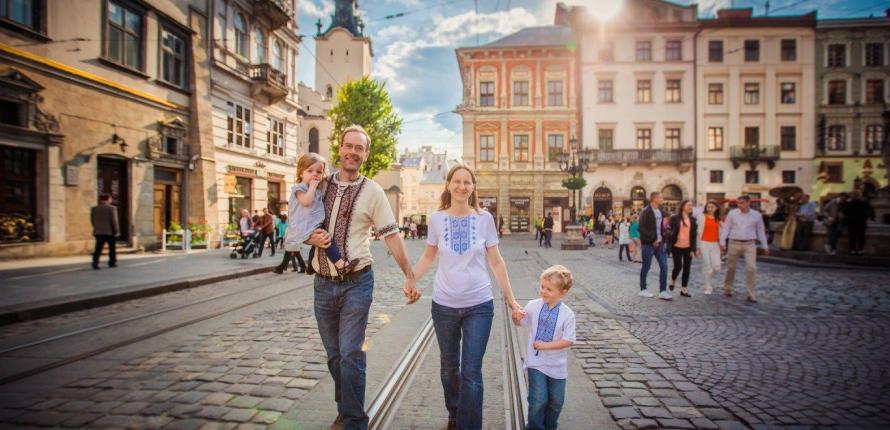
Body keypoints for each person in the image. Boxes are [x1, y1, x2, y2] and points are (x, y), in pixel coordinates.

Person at [304, 125, 419, 429]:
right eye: (348, 146)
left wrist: (409, 275)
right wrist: (308, 239)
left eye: (359, 148)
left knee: (350, 354)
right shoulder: (321, 185)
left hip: (357, 283)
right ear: (339, 149)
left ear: (366, 155)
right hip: (322, 285)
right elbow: (299, 223)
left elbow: (392, 236)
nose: (353, 152)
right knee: (334, 356)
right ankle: (346, 407)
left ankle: (354, 422)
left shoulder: (373, 191)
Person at [409, 164, 524, 430]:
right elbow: (429, 256)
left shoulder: (484, 219)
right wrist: (411, 278)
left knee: (471, 373)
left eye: (467, 182)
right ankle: (455, 412)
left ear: (473, 188)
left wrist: (511, 299)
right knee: (449, 369)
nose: (462, 186)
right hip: (444, 305)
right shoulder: (436, 219)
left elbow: (496, 261)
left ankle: (468, 425)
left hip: (479, 305)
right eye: (457, 181)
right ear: (448, 185)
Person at [512, 265, 576, 430]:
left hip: (558, 366)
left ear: (562, 292)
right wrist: (516, 317)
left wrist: (546, 346)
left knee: (556, 402)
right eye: (542, 287)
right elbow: (521, 322)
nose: (544, 291)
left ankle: (550, 426)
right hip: (536, 362)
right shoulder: (533, 305)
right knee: (538, 399)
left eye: (549, 289)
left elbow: (569, 340)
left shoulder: (567, 314)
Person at [290, 153, 359, 276]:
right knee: (326, 240)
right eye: (310, 171)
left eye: (319, 172)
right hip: (304, 226)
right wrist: (312, 187)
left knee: (319, 244)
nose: (315, 174)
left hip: (314, 224)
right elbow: (306, 201)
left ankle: (311, 266)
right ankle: (340, 265)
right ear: (301, 173)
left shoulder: (317, 188)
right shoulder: (299, 188)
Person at [720, 194, 769, 303]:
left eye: (741, 203)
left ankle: (751, 294)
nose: (739, 205)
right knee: (731, 267)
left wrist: (765, 246)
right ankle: (728, 288)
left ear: (748, 203)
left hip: (750, 244)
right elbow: (726, 228)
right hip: (734, 242)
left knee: (752, 268)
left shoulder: (757, 215)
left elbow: (761, 231)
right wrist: (722, 242)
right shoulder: (732, 214)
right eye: (738, 203)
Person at [638, 192, 671, 300]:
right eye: (661, 197)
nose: (662, 199)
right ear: (654, 198)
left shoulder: (661, 211)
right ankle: (643, 289)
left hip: (660, 243)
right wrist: (652, 240)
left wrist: (664, 235)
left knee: (664, 266)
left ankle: (663, 291)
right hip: (648, 244)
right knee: (646, 266)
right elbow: (641, 228)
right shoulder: (645, 211)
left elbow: (661, 226)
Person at [667, 200, 697, 298]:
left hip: (688, 247)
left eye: (692, 205)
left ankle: (684, 289)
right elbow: (668, 230)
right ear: (683, 206)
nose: (690, 207)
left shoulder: (693, 219)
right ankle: (673, 280)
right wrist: (670, 241)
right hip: (676, 246)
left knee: (687, 268)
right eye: (689, 205)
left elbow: (694, 236)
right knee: (678, 266)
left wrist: (693, 249)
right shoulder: (674, 218)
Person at [695, 201, 722, 295]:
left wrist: (722, 244)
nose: (710, 209)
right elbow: (697, 233)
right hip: (703, 243)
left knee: (717, 267)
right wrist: (697, 247)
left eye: (712, 207)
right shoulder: (701, 217)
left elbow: (721, 233)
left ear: (716, 208)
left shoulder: (718, 219)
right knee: (707, 265)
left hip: (715, 244)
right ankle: (707, 287)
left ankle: (707, 276)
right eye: (708, 207)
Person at [91, 193, 119, 270]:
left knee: (98, 249)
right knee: (112, 249)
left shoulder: (94, 208)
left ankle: (95, 263)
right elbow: (114, 221)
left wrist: (96, 228)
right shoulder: (112, 208)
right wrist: (116, 231)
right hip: (109, 232)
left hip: (98, 232)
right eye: (110, 198)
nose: (111, 200)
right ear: (108, 199)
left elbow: (92, 220)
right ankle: (112, 262)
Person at [843, 191, 872, 255]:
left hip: (851, 222)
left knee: (852, 236)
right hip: (861, 222)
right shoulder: (864, 203)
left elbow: (844, 213)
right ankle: (860, 250)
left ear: (852, 196)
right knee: (861, 236)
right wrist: (869, 218)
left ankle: (852, 250)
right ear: (860, 196)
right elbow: (870, 210)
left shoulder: (848, 203)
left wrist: (846, 220)